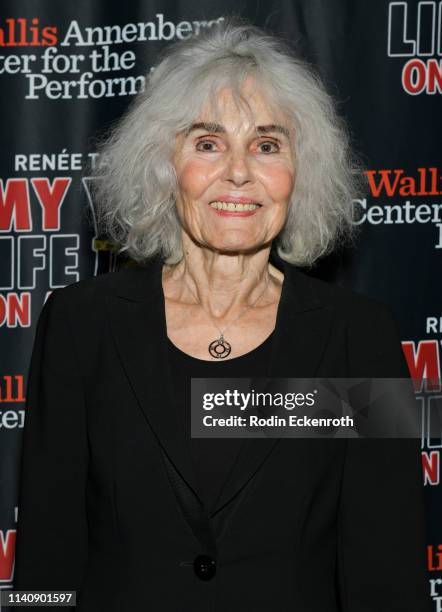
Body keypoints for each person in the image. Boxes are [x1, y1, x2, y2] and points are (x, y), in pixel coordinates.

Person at [14, 19, 430, 612]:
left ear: (300, 174)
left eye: (267, 145)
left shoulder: (357, 336)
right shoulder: (84, 325)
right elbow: (46, 556)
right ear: (164, 166)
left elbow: (386, 568)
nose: (238, 172)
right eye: (207, 143)